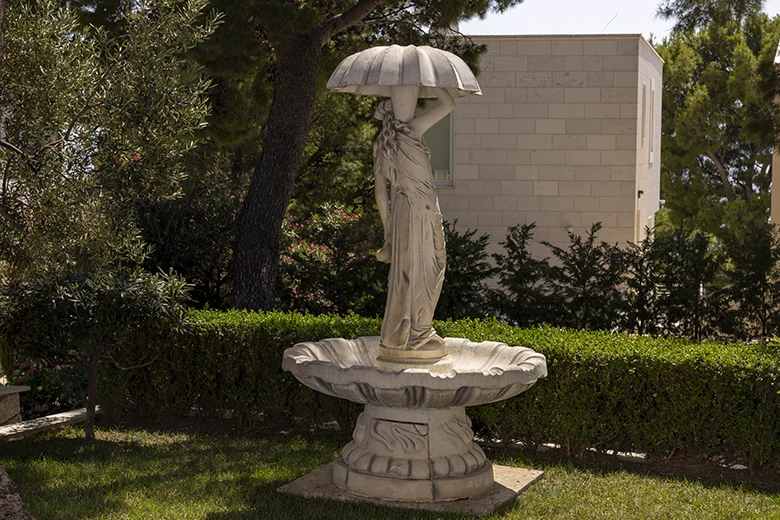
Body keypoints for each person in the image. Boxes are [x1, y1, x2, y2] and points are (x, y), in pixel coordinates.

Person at [373, 86, 455, 362]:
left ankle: (408, 333)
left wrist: (388, 231)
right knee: (429, 269)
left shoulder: (382, 144)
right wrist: (434, 82)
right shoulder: (413, 130)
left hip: (405, 212)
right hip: (421, 211)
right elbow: (449, 104)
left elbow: (380, 194)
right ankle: (418, 333)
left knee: (412, 271)